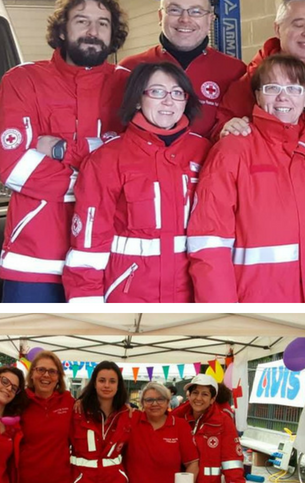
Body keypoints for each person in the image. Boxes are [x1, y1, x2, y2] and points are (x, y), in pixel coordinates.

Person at [188, 54, 305, 302]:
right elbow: (209, 245)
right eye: (272, 88)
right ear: (257, 96)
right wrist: (226, 316)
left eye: (294, 88)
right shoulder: (231, 152)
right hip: (261, 311)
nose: (283, 97)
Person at [0, 0, 131, 302]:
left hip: (106, 259)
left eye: (103, 23)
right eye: (82, 21)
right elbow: (15, 167)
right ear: (62, 28)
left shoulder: (128, 84)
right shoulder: (22, 81)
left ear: (113, 34)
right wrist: (99, 172)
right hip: (34, 259)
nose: (93, 31)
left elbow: (134, 166)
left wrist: (61, 150)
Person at [64, 62, 211, 303]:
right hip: (129, 294)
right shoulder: (108, 159)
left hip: (192, 295)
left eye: (177, 93)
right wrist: (86, 306)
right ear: (136, 99)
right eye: (156, 92)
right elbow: (88, 244)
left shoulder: (205, 152)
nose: (168, 101)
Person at [215, 0, 305, 153]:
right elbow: (221, 130)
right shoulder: (255, 78)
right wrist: (227, 130)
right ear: (278, 29)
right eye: (299, 25)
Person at [120, 0, 246, 137]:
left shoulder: (236, 72)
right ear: (161, 16)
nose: (185, 19)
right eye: (174, 10)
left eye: (196, 11)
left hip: (214, 161)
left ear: (210, 19)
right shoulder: (129, 69)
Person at [10, 350, 75, 483]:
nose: (46, 375)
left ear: (58, 377)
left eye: (52, 371)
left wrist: (126, 408)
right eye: (40, 370)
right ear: (32, 374)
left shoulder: (68, 402)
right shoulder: (18, 401)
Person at [68, 362, 135, 483]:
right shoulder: (77, 412)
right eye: (102, 380)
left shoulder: (128, 415)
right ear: (94, 383)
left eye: (112, 381)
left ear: (119, 385)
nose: (107, 385)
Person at [171, 375, 246, 483]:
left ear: (212, 399)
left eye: (205, 394)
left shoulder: (222, 422)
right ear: (188, 395)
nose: (199, 398)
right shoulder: (176, 418)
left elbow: (232, 463)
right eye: (195, 392)